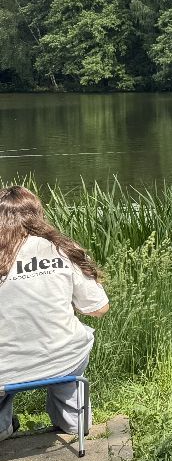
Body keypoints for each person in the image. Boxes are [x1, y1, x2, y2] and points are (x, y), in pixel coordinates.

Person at [0, 186, 109, 443]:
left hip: (3, 366)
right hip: (62, 357)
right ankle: (73, 421)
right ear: (37, 214)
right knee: (69, 344)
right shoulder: (61, 249)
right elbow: (99, 308)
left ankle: (3, 427)